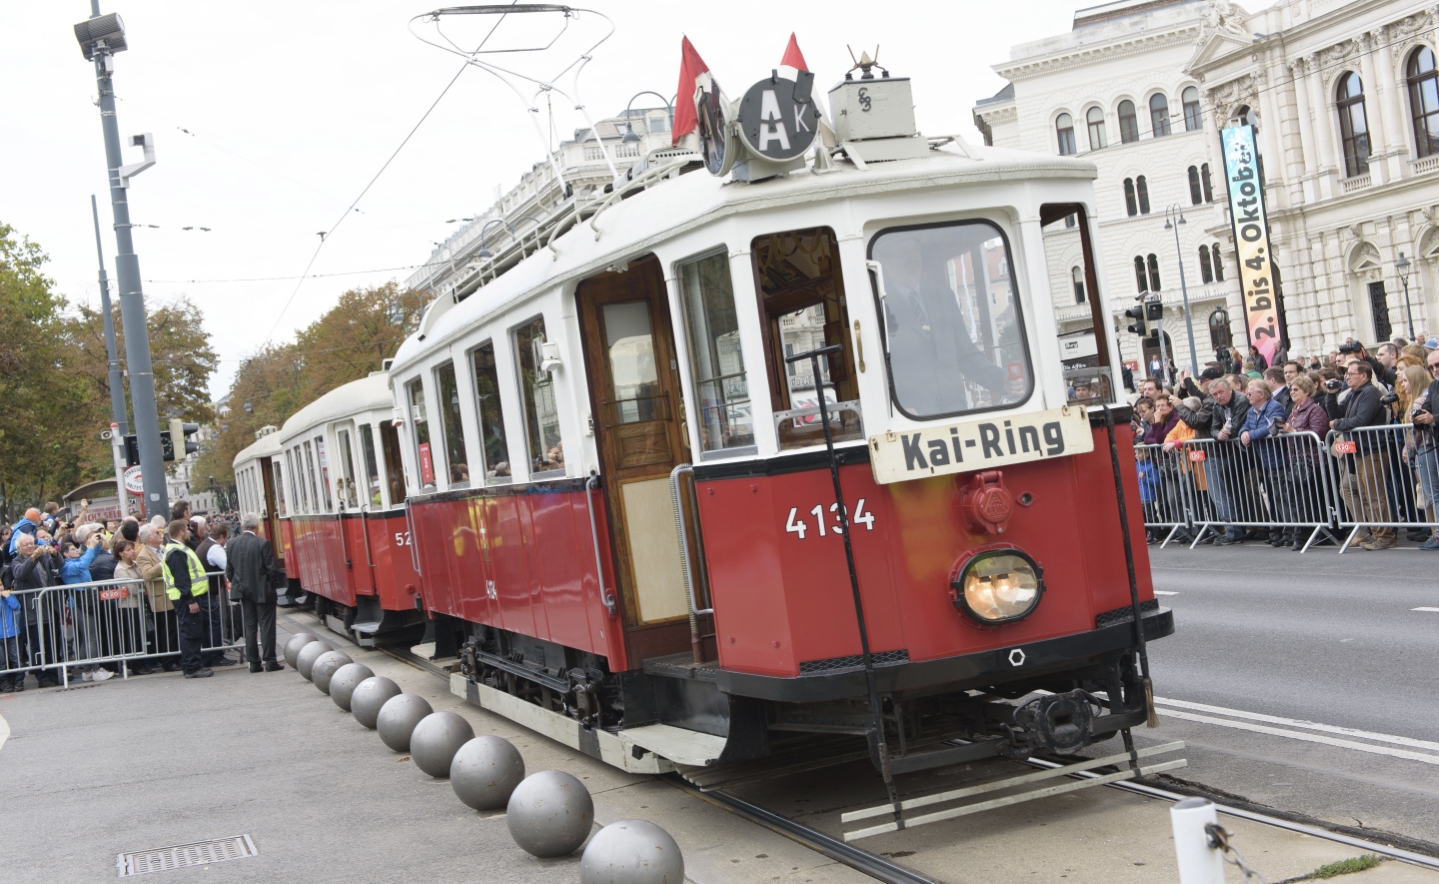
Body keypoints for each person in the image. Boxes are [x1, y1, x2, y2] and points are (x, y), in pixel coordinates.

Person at [1332, 360, 1395, 550]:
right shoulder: (1353, 394)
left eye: (1351, 374)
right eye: (1347, 374)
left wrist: (1337, 425)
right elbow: (1337, 412)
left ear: (1364, 376)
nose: (1347, 377)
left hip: (1372, 450)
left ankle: (1385, 536)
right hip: (1359, 450)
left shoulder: (1369, 393)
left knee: (1375, 495)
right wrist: (1330, 396)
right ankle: (1375, 534)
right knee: (1366, 495)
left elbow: (1361, 420)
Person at [226, 513, 284, 672]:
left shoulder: (231, 544)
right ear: (257, 526)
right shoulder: (263, 544)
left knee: (250, 627)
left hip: (244, 592)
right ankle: (270, 661)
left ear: (243, 526)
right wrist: (272, 585)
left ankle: (254, 663)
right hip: (263, 591)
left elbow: (229, 571)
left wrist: (239, 583)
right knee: (266, 626)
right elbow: (271, 570)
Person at [58, 534, 113, 682]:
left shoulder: (77, 560)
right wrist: (89, 547)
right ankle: (95, 670)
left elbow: (91, 556)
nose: (76, 550)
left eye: (76, 548)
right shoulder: (66, 566)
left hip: (85, 601)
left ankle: (88, 671)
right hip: (79, 603)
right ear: (65, 554)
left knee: (86, 638)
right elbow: (83, 565)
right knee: (91, 637)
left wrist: (97, 544)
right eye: (72, 549)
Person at [1239, 380, 1288, 546]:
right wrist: (1244, 433)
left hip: (1279, 458)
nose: (1248, 396)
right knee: (1273, 497)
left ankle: (1289, 531)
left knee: (1283, 497)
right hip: (1264, 460)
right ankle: (1278, 530)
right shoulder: (1252, 410)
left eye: (1250, 393)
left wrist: (1250, 435)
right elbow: (1244, 426)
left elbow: (1273, 426)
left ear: (1261, 394)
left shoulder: (1274, 406)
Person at [162, 519, 212, 678]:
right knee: (190, 632)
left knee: (192, 631)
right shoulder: (177, 552)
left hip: (186, 596)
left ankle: (193, 664)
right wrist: (190, 601)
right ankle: (192, 667)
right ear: (181, 531)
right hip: (186, 598)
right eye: (186, 529)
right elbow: (181, 579)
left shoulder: (177, 549)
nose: (189, 532)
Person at [136, 524, 180, 672]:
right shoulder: (143, 555)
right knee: (166, 630)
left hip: (172, 593)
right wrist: (163, 563)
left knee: (174, 628)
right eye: (157, 532)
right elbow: (147, 574)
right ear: (149, 538)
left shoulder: (163, 548)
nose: (161, 534)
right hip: (160, 597)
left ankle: (176, 657)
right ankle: (168, 661)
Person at [1410, 348, 1439, 550]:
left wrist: (1434, 418)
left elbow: (1433, 414)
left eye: (1438, 365)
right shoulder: (1435, 385)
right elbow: (1427, 407)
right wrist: (1418, 417)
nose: (1435, 369)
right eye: (1431, 366)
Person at [110, 539, 154, 673]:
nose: (132, 552)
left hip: (140, 603)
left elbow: (144, 579)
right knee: (134, 635)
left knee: (142, 633)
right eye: (128, 550)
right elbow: (133, 589)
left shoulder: (135, 564)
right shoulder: (120, 569)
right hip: (129, 605)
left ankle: (143, 662)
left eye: (132, 549)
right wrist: (143, 586)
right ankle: (136, 665)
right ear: (121, 553)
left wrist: (143, 585)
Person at [195, 522, 235, 667]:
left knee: (208, 625)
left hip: (204, 592)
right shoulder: (214, 548)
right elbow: (227, 566)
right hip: (208, 593)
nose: (226, 541)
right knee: (214, 624)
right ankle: (216, 655)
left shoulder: (204, 544)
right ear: (222, 536)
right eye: (226, 538)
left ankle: (209, 655)